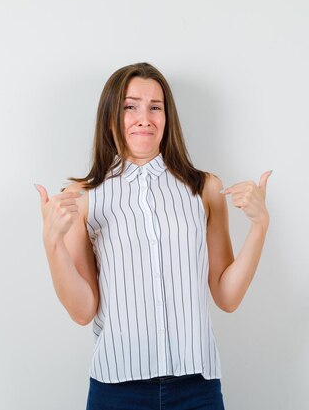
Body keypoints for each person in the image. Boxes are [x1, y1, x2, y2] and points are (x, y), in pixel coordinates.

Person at [35, 62, 271, 410]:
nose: (144, 117)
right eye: (130, 106)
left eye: (154, 107)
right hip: (117, 389)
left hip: (197, 388)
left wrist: (260, 225)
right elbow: (83, 310)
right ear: (112, 117)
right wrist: (51, 243)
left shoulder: (204, 189)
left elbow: (227, 296)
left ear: (166, 117)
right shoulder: (84, 196)